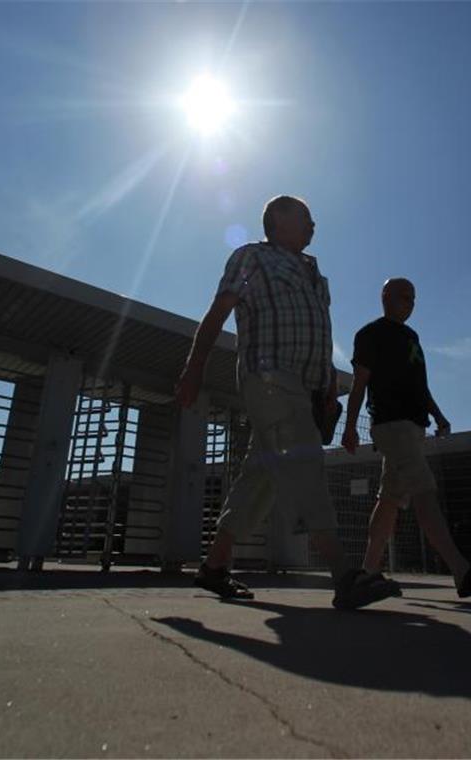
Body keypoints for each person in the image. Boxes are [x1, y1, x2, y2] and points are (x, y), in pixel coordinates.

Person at [175, 195, 396, 610]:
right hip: (270, 376)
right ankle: (344, 575)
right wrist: (194, 367)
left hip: (307, 385)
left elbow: (322, 329)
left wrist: (328, 385)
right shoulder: (251, 258)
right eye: (306, 217)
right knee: (307, 461)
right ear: (278, 219)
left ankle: (214, 566)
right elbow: (218, 310)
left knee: (259, 478)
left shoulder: (314, 271)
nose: (314, 224)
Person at [342, 278, 471, 598]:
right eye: (405, 296)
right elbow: (359, 383)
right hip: (392, 424)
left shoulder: (411, 336)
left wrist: (439, 415)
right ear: (385, 297)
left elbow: (420, 385)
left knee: (389, 499)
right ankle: (462, 572)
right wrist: (350, 425)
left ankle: (368, 571)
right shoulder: (370, 334)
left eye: (414, 298)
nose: (411, 303)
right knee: (424, 490)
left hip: (413, 426)